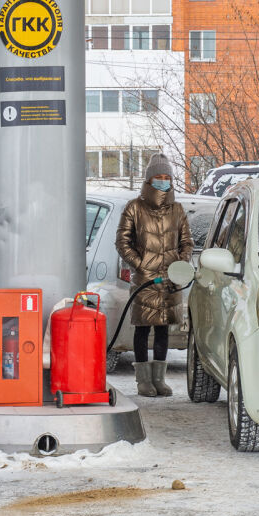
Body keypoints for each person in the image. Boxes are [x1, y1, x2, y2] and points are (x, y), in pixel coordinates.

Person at [114, 153, 195, 397]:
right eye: (159, 177)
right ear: (149, 180)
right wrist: (141, 264)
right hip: (145, 281)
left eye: (167, 177)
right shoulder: (134, 208)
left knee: (163, 330)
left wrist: (180, 266)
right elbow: (122, 241)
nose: (163, 181)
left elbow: (187, 242)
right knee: (143, 328)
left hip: (170, 282)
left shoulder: (177, 210)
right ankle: (143, 381)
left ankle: (159, 380)